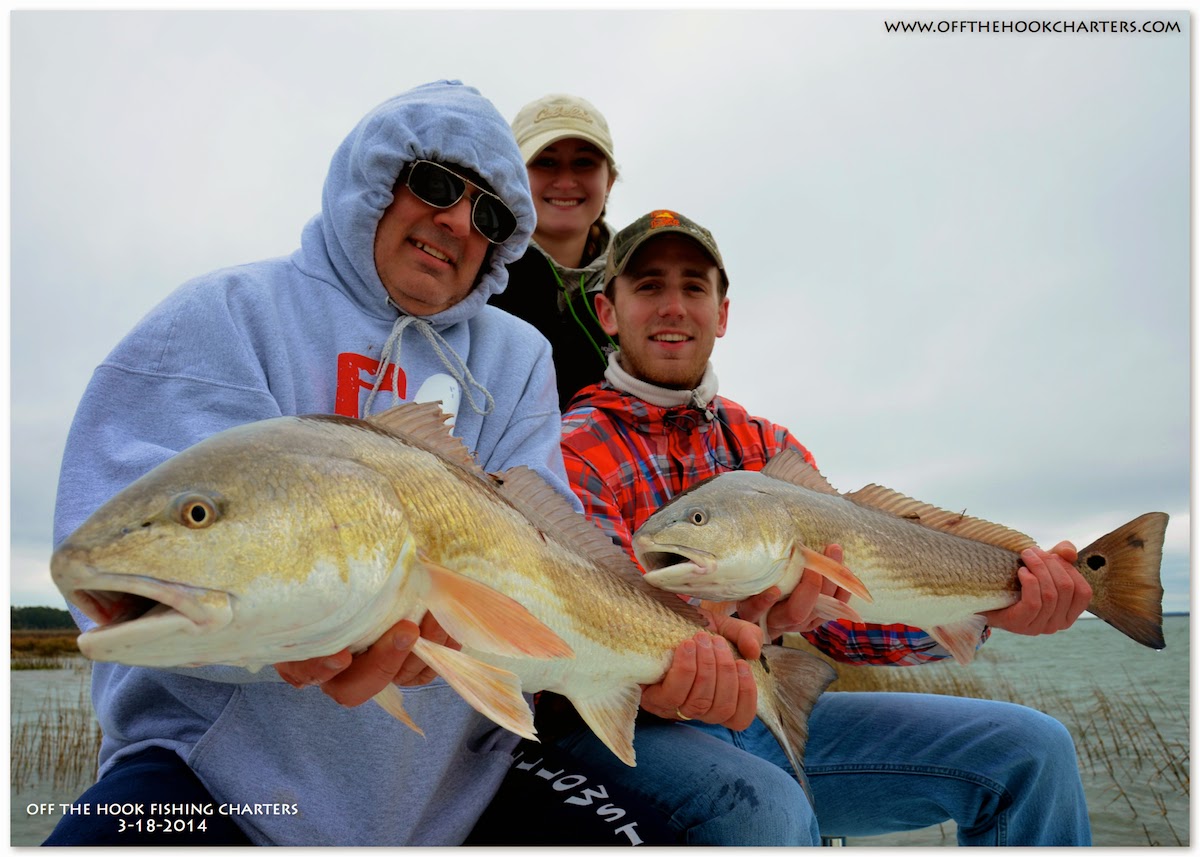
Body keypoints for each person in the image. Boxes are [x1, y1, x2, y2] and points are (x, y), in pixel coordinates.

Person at [46, 80, 576, 847]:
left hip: (457, 794)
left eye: (489, 214)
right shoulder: (225, 314)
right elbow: (138, 541)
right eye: (435, 183)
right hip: (208, 777)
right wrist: (294, 637)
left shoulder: (520, 357)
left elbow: (551, 558)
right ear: (375, 177)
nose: (457, 219)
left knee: (734, 813)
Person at [549, 208, 1094, 846]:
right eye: (647, 287)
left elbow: (853, 623)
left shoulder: (769, 447)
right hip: (631, 733)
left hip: (767, 706)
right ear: (607, 312)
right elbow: (595, 630)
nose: (673, 306)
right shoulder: (571, 447)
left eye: (694, 287)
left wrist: (996, 611)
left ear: (722, 314)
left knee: (1034, 751)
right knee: (767, 808)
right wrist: (736, 629)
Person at [489, 93, 618, 411]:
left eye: (584, 162)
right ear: (511, 176)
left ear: (610, 181)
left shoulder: (640, 283)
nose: (565, 181)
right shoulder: (472, 277)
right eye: (545, 162)